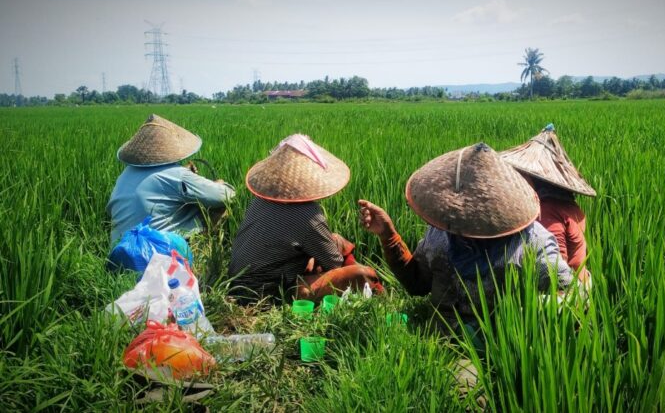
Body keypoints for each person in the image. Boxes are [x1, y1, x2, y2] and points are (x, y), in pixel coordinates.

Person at [359, 142, 588, 333]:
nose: (464, 223)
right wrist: (388, 236)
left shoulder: (531, 244)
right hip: (441, 333)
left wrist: (525, 313)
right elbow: (417, 284)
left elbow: (574, 295)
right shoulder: (441, 233)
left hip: (498, 342)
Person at [229, 134, 382, 303]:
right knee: (362, 274)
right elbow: (334, 265)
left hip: (236, 281)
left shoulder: (261, 199)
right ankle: (377, 297)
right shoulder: (309, 216)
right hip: (265, 294)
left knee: (335, 240)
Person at [107, 114, 235, 243]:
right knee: (219, 207)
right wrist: (220, 184)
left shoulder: (126, 173)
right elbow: (225, 196)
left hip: (119, 248)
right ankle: (199, 255)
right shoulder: (178, 174)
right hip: (156, 251)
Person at [501, 124, 596, 271]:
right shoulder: (571, 206)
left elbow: (555, 266)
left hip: (564, 289)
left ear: (537, 179)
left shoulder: (548, 210)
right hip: (579, 280)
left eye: (524, 175)